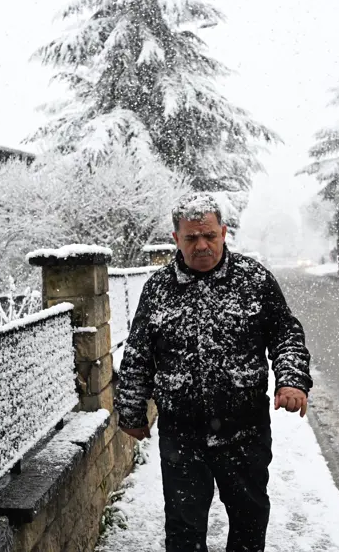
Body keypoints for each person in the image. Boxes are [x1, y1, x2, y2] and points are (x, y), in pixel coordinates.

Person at [115, 192, 313, 552]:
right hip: (182, 436)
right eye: (191, 238)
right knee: (183, 531)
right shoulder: (158, 290)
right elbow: (139, 354)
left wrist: (292, 379)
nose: (202, 245)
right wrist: (130, 410)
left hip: (245, 431)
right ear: (176, 239)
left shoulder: (254, 280)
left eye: (210, 236)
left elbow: (286, 334)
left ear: (223, 233)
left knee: (248, 523)